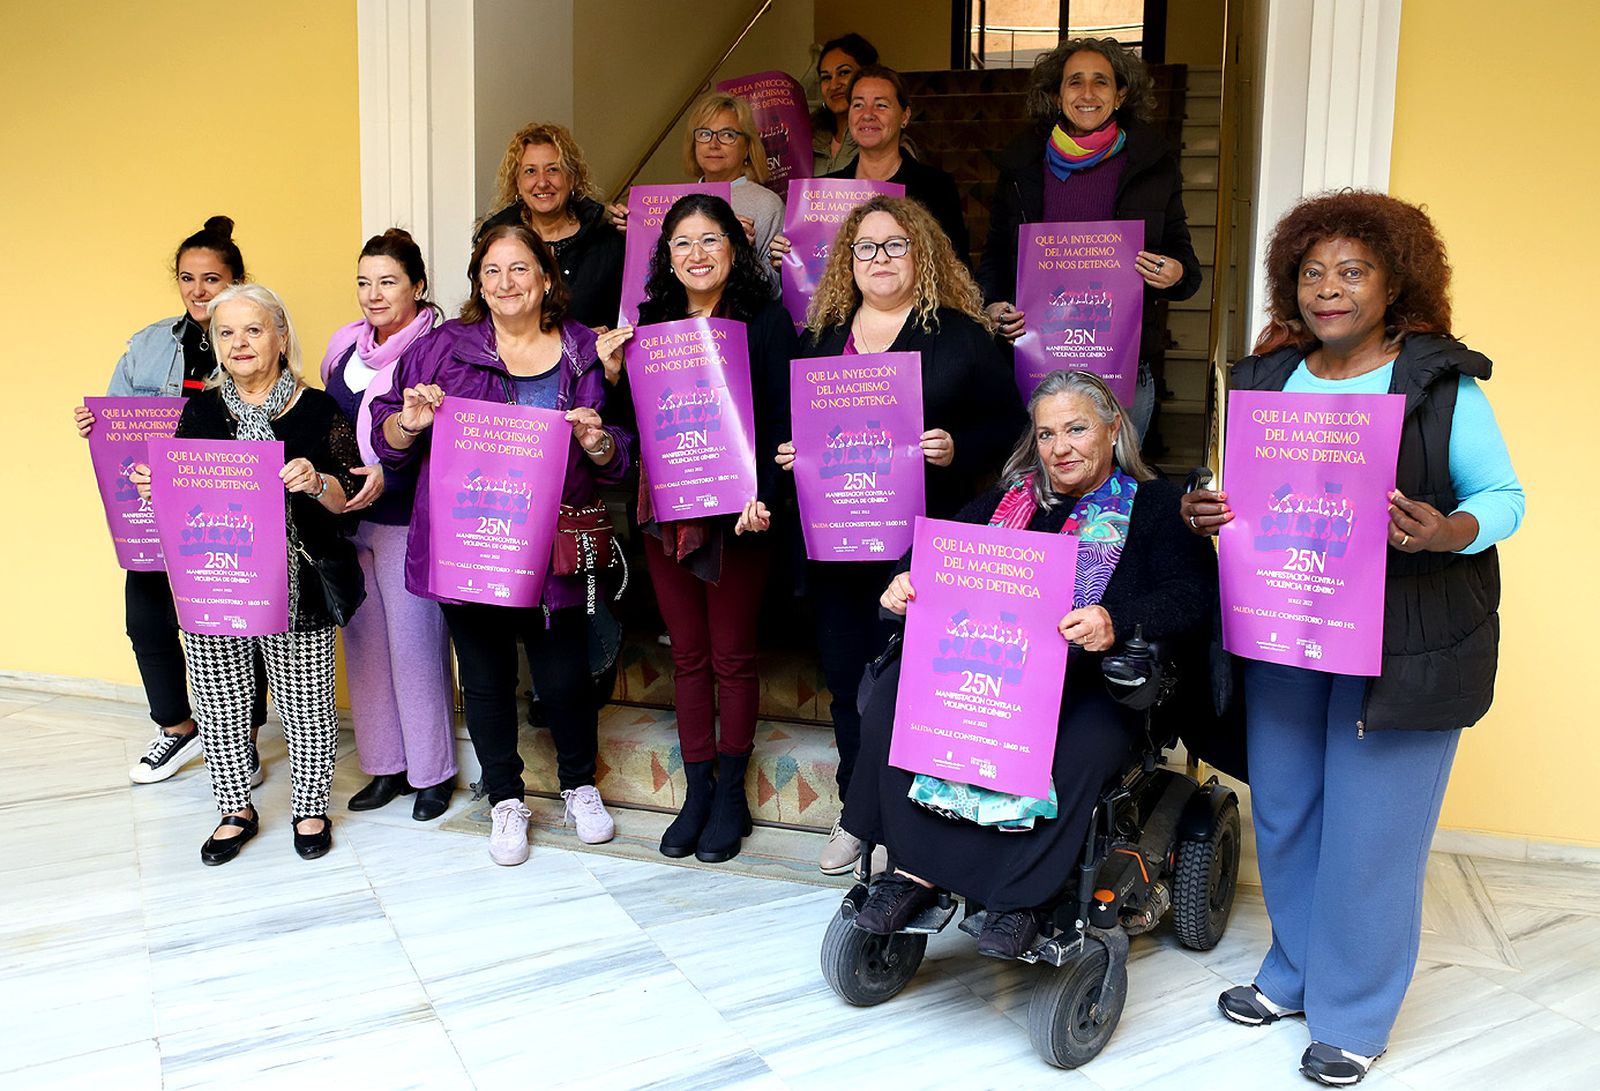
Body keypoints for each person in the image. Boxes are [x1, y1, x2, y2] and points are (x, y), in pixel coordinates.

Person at [1180, 192, 1524, 1087]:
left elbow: (1504, 501)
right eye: (1311, 271)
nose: (1328, 287)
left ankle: (1354, 1010)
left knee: (1373, 832)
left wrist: (1444, 529)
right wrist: (1200, 507)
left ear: (1393, 280)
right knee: (1288, 812)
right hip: (1286, 631)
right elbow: (1222, 491)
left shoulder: (1440, 383)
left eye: (1352, 270)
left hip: (1403, 639)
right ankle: (1294, 973)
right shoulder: (1263, 379)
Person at [845, 369, 1216, 957]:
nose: (1060, 448)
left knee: (1082, 744)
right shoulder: (1011, 499)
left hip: (1091, 681)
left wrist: (1113, 620)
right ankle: (914, 870)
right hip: (991, 672)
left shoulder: (1156, 506)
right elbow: (937, 554)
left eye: (1076, 429)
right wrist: (906, 580)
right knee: (893, 698)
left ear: (1113, 428)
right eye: (1046, 435)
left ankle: (1021, 897)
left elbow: (1193, 595)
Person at [775, 194, 1024, 873]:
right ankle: (854, 815)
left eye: (894, 246)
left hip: (919, 545)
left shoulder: (961, 337)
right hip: (835, 545)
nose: (879, 259)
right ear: (847, 263)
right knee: (843, 676)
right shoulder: (822, 336)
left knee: (905, 684)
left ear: (922, 254)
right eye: (865, 248)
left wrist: (956, 447)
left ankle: (895, 819)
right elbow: (790, 426)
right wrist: (793, 453)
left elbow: (1011, 428)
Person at [371, 223, 632, 866]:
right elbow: (386, 443)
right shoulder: (441, 350)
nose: (506, 283)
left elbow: (620, 456)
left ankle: (579, 787)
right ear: (478, 283)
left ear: (547, 278)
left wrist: (599, 442)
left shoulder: (582, 350)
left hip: (552, 545)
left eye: (520, 269)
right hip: (471, 541)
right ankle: (507, 800)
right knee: (485, 679)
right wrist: (409, 421)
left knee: (564, 677)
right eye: (492, 271)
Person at [131, 284, 364, 865]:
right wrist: (155, 486)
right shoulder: (202, 411)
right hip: (214, 578)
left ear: (282, 336)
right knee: (218, 698)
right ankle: (235, 808)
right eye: (226, 332)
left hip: (296, 579)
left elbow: (348, 494)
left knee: (306, 701)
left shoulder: (318, 410)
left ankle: (310, 807)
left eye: (253, 329)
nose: (239, 343)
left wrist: (316, 482)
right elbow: (185, 495)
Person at [600, 194, 797, 864]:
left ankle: (732, 792)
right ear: (667, 256)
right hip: (669, 512)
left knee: (732, 655)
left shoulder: (766, 323)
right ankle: (697, 788)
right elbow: (634, 420)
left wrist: (766, 497)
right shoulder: (650, 321)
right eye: (682, 243)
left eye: (709, 240)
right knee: (686, 655)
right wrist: (610, 375)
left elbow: (781, 421)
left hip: (739, 514)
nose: (696, 254)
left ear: (734, 247)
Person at [73, 216, 269, 786]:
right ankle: (178, 728)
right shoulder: (149, 344)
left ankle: (243, 740)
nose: (199, 291)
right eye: (188, 278)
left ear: (236, 280)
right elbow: (119, 424)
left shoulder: (256, 337)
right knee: (147, 620)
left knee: (238, 619)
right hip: (154, 502)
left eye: (212, 278)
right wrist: (96, 424)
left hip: (226, 506)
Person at [978, 38, 1202, 441]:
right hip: (1038, 364)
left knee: (1115, 490)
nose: (1086, 93)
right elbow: (995, 253)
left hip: (1122, 365)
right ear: (1056, 95)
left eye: (1100, 82)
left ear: (1120, 94)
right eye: (1074, 82)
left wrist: (1175, 272)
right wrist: (991, 305)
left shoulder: (1153, 163)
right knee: (1042, 490)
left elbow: (1184, 261)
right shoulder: (1021, 165)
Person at [319, 229, 457, 821]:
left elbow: (446, 438)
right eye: (363, 282)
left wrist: (385, 470)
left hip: (408, 514)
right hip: (349, 519)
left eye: (388, 282)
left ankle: (431, 773)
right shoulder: (343, 349)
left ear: (418, 287)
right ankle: (385, 767)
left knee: (417, 645)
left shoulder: (438, 348)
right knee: (366, 646)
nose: (373, 295)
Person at [478, 122, 625, 330]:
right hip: (513, 362)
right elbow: (481, 318)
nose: (543, 182)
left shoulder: (608, 240)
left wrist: (640, 235)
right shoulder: (494, 240)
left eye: (553, 170)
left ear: (572, 178)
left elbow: (635, 317)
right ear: (517, 183)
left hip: (594, 362)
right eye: (530, 171)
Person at [681, 90, 785, 295]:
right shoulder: (677, 202)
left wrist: (743, 253)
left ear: (747, 147)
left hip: (744, 320)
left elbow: (777, 291)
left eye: (727, 135)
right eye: (704, 134)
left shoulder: (767, 204)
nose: (713, 144)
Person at [812, 33, 879, 175]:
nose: (833, 85)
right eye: (826, 77)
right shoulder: (809, 138)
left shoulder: (884, 138)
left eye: (843, 73)